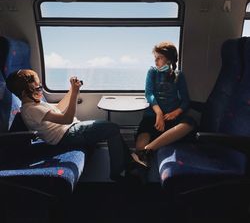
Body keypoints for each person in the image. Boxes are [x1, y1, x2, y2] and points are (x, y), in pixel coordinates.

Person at [6, 69, 143, 182]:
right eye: (38, 87)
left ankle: (129, 162)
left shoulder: (35, 104)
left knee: (111, 128)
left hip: (68, 131)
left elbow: (59, 108)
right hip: (66, 135)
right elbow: (66, 119)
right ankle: (118, 172)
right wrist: (75, 93)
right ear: (24, 93)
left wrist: (72, 90)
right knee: (111, 128)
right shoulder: (31, 110)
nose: (41, 90)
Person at [135, 41, 196, 167]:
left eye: (159, 58)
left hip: (172, 118)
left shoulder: (178, 75)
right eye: (155, 58)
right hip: (153, 117)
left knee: (189, 124)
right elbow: (149, 94)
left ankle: (148, 150)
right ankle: (142, 164)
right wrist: (158, 113)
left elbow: (185, 100)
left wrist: (176, 112)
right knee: (139, 146)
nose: (155, 61)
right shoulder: (152, 72)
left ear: (169, 60)